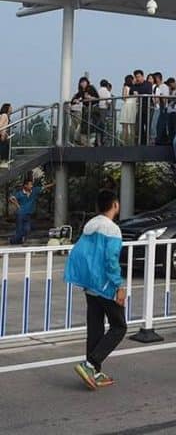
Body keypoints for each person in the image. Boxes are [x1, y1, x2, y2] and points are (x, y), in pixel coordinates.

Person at [64, 190, 126, 390]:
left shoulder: (89, 226)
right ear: (115, 205)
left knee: (95, 327)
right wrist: (120, 286)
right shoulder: (113, 229)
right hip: (105, 286)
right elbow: (111, 261)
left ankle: (95, 371)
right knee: (119, 326)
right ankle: (90, 364)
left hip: (89, 285)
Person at [9, 177, 52, 245]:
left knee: (27, 229)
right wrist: (17, 205)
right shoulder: (20, 193)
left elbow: (44, 187)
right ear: (25, 186)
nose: (31, 186)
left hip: (28, 214)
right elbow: (11, 198)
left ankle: (18, 240)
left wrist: (53, 184)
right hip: (20, 214)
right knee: (20, 230)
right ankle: (13, 241)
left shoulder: (34, 191)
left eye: (32, 185)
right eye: (30, 185)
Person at [130, 70, 153, 145]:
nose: (137, 78)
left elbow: (148, 92)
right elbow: (131, 92)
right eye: (136, 77)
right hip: (139, 108)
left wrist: (139, 93)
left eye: (138, 77)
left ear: (142, 76)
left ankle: (147, 141)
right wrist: (133, 85)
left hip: (147, 107)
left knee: (148, 125)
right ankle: (141, 142)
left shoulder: (148, 84)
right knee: (140, 126)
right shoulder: (135, 85)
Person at [118, 75, 137, 145]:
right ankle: (127, 143)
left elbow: (123, 98)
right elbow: (124, 97)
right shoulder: (127, 87)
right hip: (130, 106)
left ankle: (125, 143)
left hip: (129, 106)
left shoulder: (129, 88)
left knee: (127, 127)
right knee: (128, 127)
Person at [97, 79, 112, 146]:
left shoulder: (98, 91)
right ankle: (102, 141)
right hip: (104, 109)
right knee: (102, 125)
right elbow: (109, 101)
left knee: (97, 125)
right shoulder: (107, 92)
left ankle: (97, 141)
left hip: (97, 109)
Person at [0, 103, 11, 167]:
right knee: (4, 147)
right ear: (7, 108)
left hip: (3, 134)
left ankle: (3, 162)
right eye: (10, 108)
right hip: (2, 134)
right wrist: (3, 134)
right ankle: (3, 162)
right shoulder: (4, 115)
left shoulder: (4, 115)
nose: (11, 109)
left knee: (5, 146)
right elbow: (1, 125)